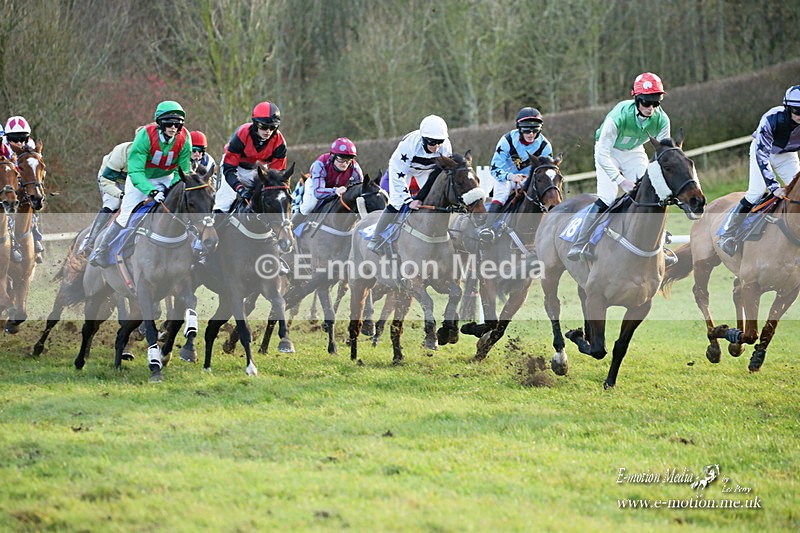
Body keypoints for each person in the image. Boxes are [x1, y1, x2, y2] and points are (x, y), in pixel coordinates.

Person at [567, 72, 671, 261]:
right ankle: (580, 243)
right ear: (637, 99)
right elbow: (602, 154)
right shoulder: (618, 116)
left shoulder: (662, 120)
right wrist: (621, 181)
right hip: (608, 151)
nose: (651, 108)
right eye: (647, 102)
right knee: (607, 198)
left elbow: (663, 154)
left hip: (634, 151)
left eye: (656, 102)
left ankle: (660, 245)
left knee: (651, 192)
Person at [89, 100, 191, 267]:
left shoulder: (185, 139)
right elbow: (135, 172)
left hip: (167, 176)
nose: (174, 128)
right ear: (160, 123)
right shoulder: (145, 135)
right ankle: (101, 249)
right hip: (141, 177)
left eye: (178, 124)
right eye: (170, 124)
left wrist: (171, 188)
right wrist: (151, 191)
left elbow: (183, 172)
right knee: (126, 214)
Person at [717, 84, 800, 255]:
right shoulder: (771, 118)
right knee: (757, 192)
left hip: (787, 156)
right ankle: (728, 232)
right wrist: (774, 187)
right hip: (763, 152)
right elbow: (761, 156)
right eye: (797, 111)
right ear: (788, 108)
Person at [367, 115, 452, 255]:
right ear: (424, 139)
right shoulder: (410, 144)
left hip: (427, 170)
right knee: (397, 202)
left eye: (440, 142)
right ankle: (376, 239)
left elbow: (438, 173)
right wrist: (408, 201)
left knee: (430, 199)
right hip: (403, 170)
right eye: (432, 142)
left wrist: (423, 195)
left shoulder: (446, 146)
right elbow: (398, 174)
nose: (436, 147)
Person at [480, 106, 554, 240]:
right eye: (527, 129)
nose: (531, 134)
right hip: (506, 178)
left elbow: (548, 170)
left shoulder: (545, 146)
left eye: (535, 129)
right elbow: (495, 169)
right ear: (519, 128)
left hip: (529, 179)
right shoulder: (507, 140)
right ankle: (487, 228)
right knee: (502, 195)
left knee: (548, 195)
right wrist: (511, 176)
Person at [77, 129, 143, 254]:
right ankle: (90, 241)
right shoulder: (122, 152)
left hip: (132, 181)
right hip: (111, 179)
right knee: (113, 204)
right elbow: (107, 182)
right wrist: (121, 194)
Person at [213, 101, 287, 213]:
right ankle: (214, 225)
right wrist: (240, 189)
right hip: (235, 168)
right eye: (263, 126)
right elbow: (229, 170)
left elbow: (277, 175)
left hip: (257, 170)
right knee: (225, 202)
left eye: (272, 127)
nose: (267, 131)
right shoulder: (241, 134)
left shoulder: (280, 143)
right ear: (255, 124)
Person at [3, 115, 45, 262]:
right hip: (7, 186)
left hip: (25, 185)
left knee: (33, 201)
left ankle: (36, 235)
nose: (20, 142)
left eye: (23, 138)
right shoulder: (3, 146)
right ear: (7, 137)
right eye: (15, 138)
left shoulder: (32, 145)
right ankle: (11, 242)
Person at [298, 137, 363, 220]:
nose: (345, 164)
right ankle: (293, 226)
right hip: (317, 186)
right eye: (341, 159)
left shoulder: (355, 168)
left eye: (348, 160)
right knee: (308, 208)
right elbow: (318, 192)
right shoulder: (320, 164)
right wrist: (335, 191)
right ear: (332, 157)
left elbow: (359, 189)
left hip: (340, 188)